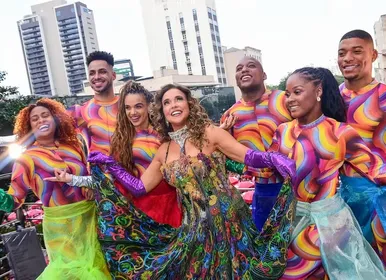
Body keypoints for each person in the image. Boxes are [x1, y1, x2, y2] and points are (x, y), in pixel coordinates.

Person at [50, 84, 297, 279]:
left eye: (178, 99)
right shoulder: (163, 151)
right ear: (162, 111)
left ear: (189, 103)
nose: (173, 105)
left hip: (231, 223)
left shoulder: (210, 133)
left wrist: (274, 158)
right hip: (195, 232)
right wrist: (110, 167)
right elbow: (139, 187)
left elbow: (247, 156)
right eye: (167, 102)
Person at [269, 67, 386, 279]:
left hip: (331, 225)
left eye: (297, 92)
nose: (290, 99)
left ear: (318, 91)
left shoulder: (340, 132)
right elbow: (266, 171)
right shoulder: (282, 132)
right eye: (287, 94)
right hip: (292, 220)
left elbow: (376, 169)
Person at [0, 99, 110, 279]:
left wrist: (89, 186)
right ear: (29, 126)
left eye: (45, 115)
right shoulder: (26, 158)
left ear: (55, 118)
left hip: (90, 218)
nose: (41, 121)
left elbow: (88, 174)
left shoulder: (74, 146)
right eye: (35, 119)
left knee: (99, 268)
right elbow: (15, 200)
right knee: (70, 272)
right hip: (60, 227)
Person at [220, 57, 292, 230]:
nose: (244, 70)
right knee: (265, 245)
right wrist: (248, 169)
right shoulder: (230, 115)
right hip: (263, 192)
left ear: (264, 74)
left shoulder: (285, 100)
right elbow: (222, 156)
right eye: (239, 68)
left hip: (298, 186)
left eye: (251, 66)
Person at [337, 29, 386, 265]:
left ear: (374, 54)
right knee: (353, 265)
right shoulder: (330, 99)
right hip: (342, 199)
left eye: (357, 51)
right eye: (342, 53)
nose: (347, 58)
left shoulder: (384, 96)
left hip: (380, 198)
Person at [109, 81, 182, 227]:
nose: (133, 113)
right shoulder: (121, 140)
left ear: (149, 106)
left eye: (138, 106)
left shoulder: (164, 136)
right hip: (138, 211)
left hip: (170, 207)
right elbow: (114, 177)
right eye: (127, 108)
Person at [68, 51, 118, 155]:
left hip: (132, 170)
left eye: (102, 72)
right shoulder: (79, 111)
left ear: (113, 75)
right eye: (92, 73)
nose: (96, 77)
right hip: (97, 170)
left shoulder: (128, 106)